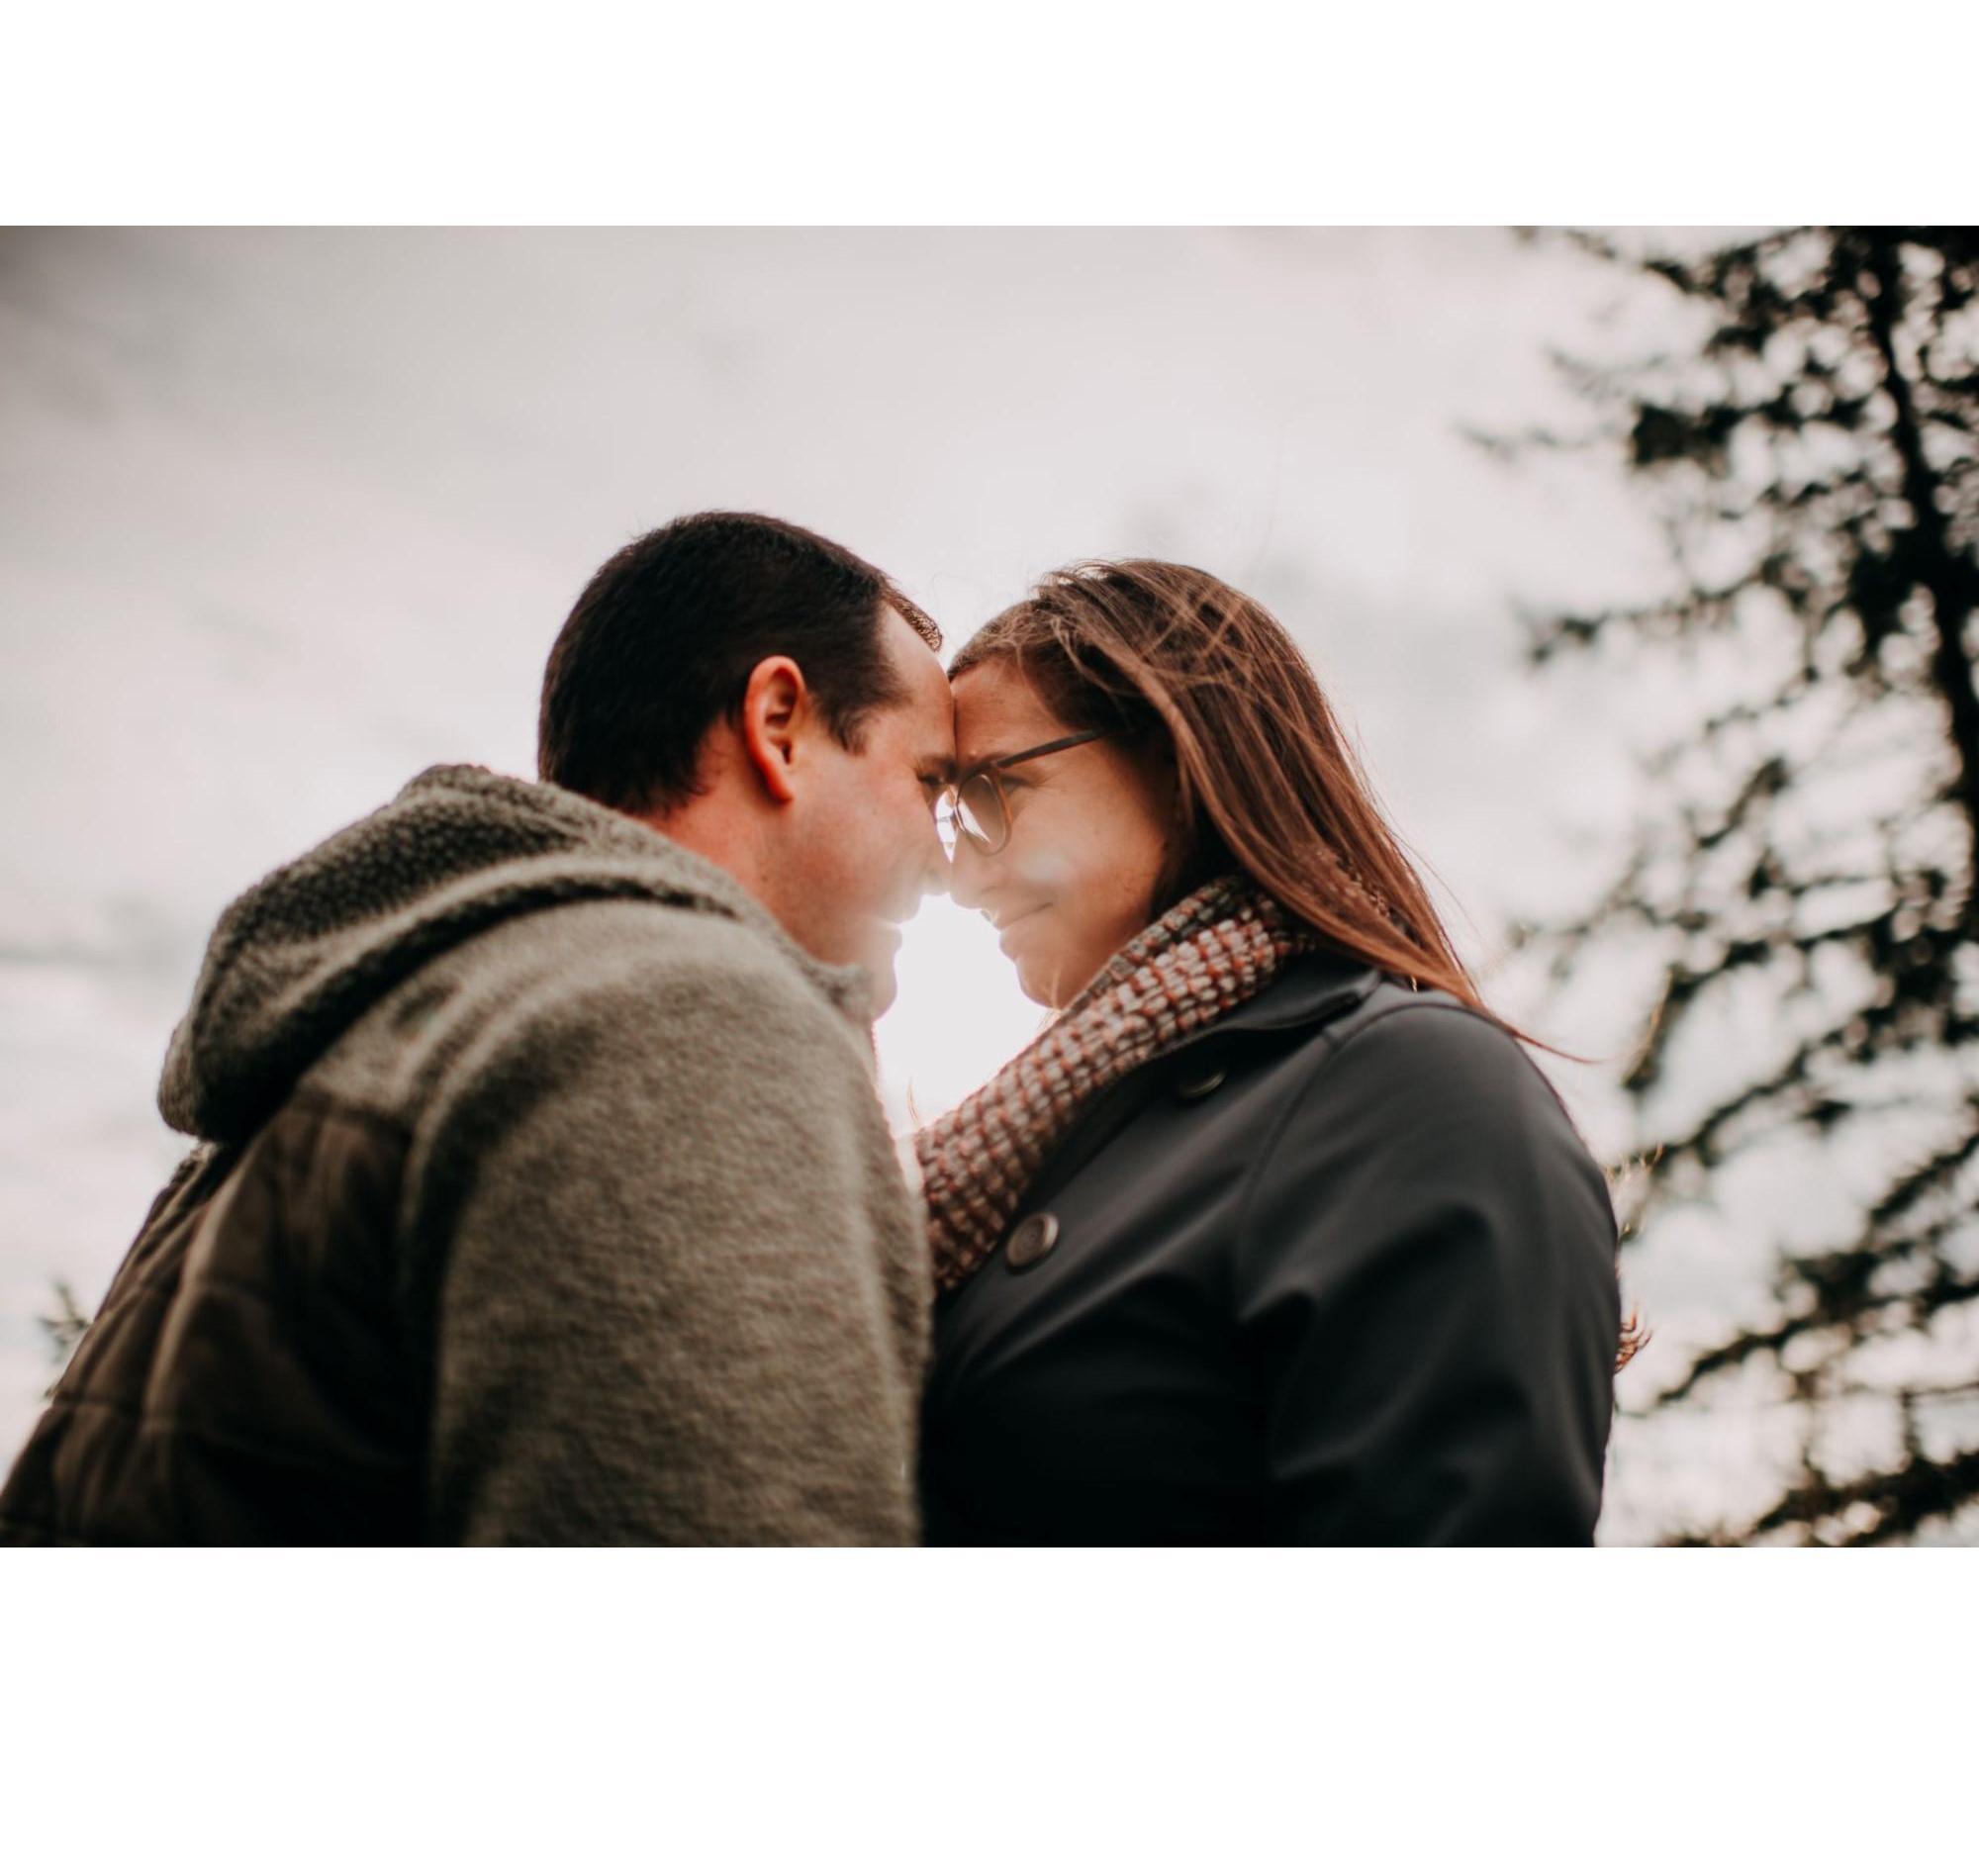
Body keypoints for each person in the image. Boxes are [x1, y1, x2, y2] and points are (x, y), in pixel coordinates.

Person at [0, 511, 954, 1546]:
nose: (943, 858)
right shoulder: (680, 1015)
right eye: (928, 782)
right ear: (778, 725)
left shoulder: (412, 1012)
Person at [916, 559, 1638, 1546]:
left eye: (994, 795)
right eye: (949, 814)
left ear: (1173, 762)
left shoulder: (1411, 1094)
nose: (958, 875)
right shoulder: (1058, 1129)